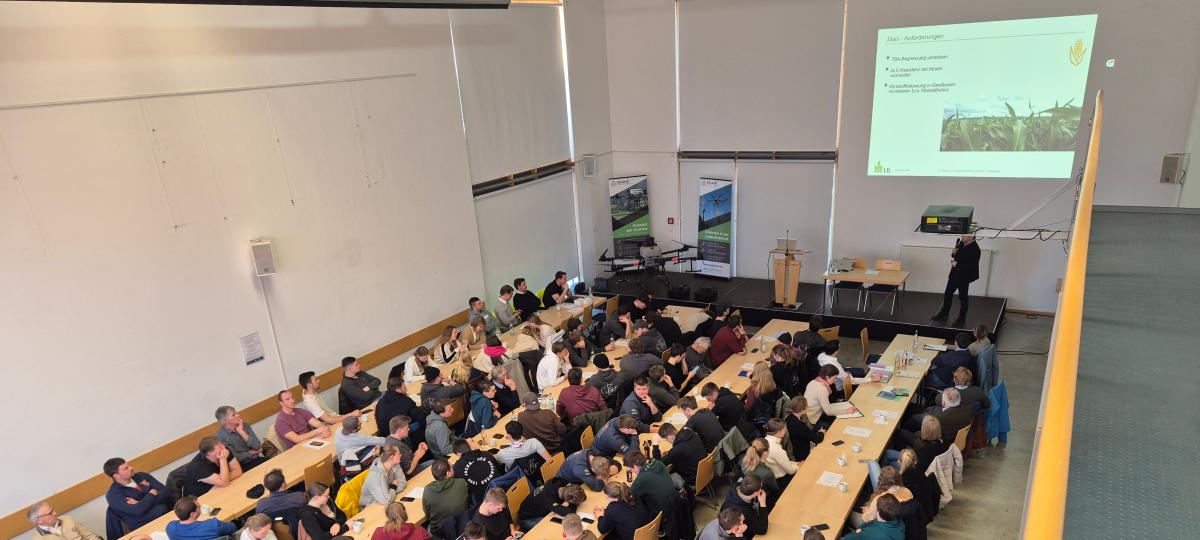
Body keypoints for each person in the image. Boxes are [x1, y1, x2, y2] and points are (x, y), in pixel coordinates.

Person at [103, 458, 170, 531]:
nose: (131, 468)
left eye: (128, 465)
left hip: (165, 514)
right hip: (144, 527)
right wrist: (151, 493)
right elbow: (138, 510)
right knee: (161, 508)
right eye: (126, 468)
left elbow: (165, 492)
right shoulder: (113, 495)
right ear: (116, 476)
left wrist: (140, 503)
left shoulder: (142, 476)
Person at [933, 233, 981, 324]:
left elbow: (972, 266)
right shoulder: (962, 243)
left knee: (963, 297)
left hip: (964, 276)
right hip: (954, 274)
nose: (961, 237)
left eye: (963, 235)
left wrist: (957, 264)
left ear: (970, 237)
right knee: (948, 293)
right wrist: (953, 253)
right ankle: (944, 314)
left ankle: (961, 319)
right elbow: (956, 256)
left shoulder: (975, 249)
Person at [517, 477, 587, 529]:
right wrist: (572, 504)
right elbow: (569, 512)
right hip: (528, 519)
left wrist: (570, 502)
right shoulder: (548, 498)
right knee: (555, 526)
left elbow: (584, 497)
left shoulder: (561, 482)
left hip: (542, 507)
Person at [624, 451, 675, 518]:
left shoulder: (641, 479)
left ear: (635, 466)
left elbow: (629, 496)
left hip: (662, 513)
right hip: (673, 502)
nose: (632, 471)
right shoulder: (658, 463)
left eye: (631, 469)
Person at [215, 405, 266, 470]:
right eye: (233, 415)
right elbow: (236, 457)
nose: (238, 415)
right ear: (225, 421)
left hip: (257, 459)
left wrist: (241, 432)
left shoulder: (245, 426)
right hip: (241, 466)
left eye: (236, 413)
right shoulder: (220, 436)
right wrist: (254, 452)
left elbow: (257, 446)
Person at [423, 459, 470, 529]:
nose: (453, 467)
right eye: (451, 467)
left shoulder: (427, 490)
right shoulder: (461, 483)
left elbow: (427, 515)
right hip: (462, 525)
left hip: (440, 530)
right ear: (448, 473)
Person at [166, 496, 237, 540]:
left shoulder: (170, 528)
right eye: (199, 507)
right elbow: (233, 527)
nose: (200, 507)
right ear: (192, 514)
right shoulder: (212, 525)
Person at [659, 422, 706, 487]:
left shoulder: (678, 449)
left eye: (665, 439)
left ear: (670, 437)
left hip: (692, 481)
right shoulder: (690, 433)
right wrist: (671, 453)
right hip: (704, 474)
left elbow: (659, 463)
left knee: (661, 479)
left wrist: (655, 446)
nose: (666, 441)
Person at [721, 475, 768, 539]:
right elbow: (762, 530)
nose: (762, 489)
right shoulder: (742, 512)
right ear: (757, 493)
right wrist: (763, 503)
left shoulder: (738, 486)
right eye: (761, 488)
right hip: (743, 532)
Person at [27, 501, 101, 540]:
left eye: (53, 510)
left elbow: (90, 536)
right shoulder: (38, 538)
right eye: (50, 513)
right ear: (39, 521)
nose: (55, 513)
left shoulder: (68, 519)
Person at [784, 396, 825, 461]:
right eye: (807, 405)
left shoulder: (789, 417)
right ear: (802, 410)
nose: (808, 406)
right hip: (803, 454)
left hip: (798, 447)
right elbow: (818, 439)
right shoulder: (799, 425)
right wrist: (821, 432)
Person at [761, 420, 796, 487]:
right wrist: (798, 467)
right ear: (779, 432)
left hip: (775, 477)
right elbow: (791, 471)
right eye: (784, 429)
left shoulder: (765, 440)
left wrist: (795, 463)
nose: (786, 430)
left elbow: (782, 462)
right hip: (783, 480)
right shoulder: (775, 449)